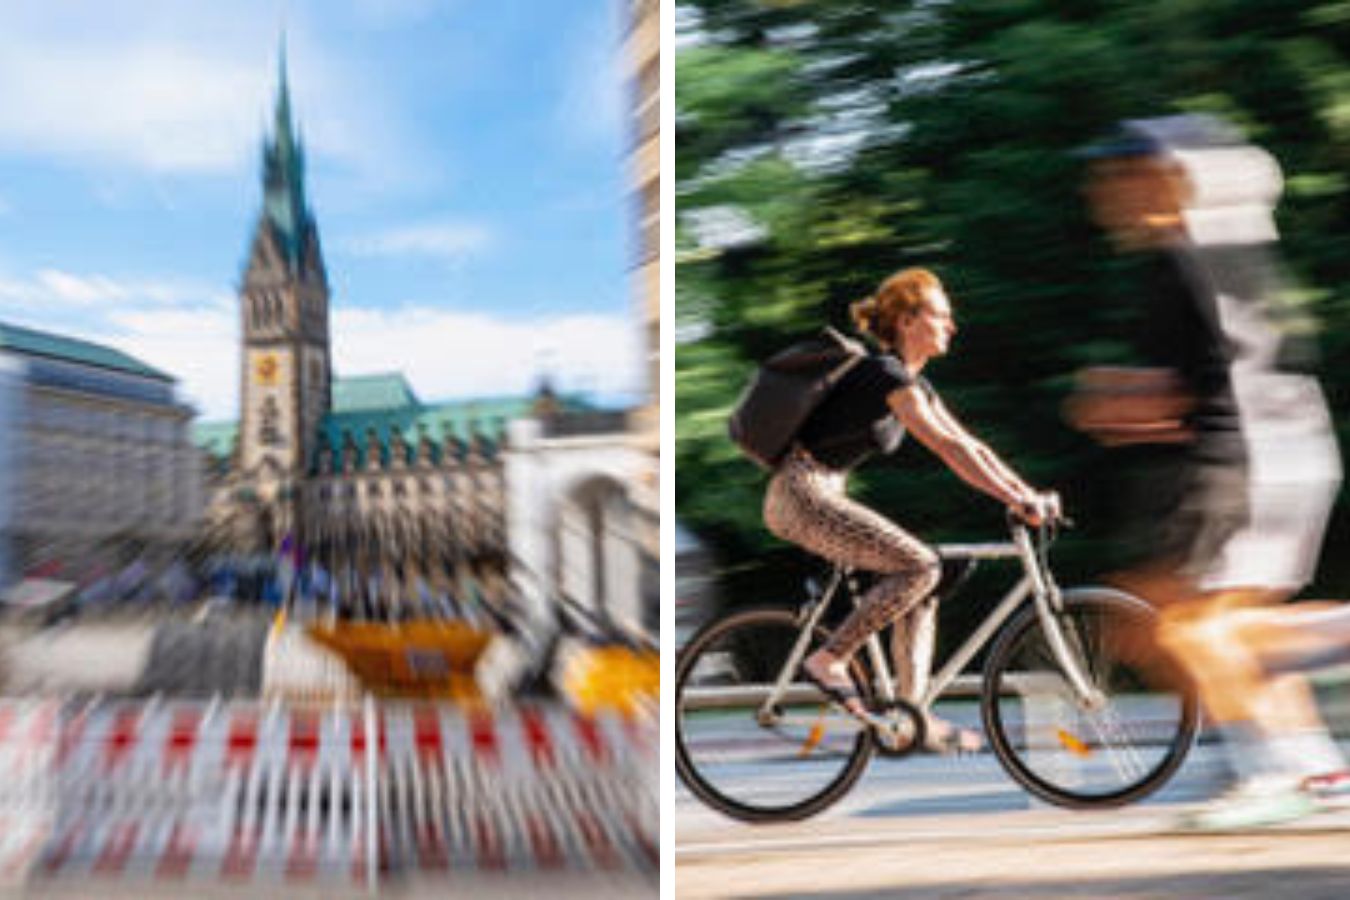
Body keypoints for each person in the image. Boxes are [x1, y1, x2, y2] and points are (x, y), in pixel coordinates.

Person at [1073, 115, 1348, 828]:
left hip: (1240, 456)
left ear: (1170, 179)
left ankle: (1273, 775)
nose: (1105, 191)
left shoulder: (1180, 259)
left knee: (1187, 631)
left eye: (1121, 174)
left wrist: (1104, 399)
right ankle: (1318, 768)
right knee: (1225, 627)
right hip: (1289, 446)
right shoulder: (1235, 249)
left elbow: (1181, 391)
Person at [763, 267, 1061, 752]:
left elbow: (972, 445)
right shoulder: (886, 375)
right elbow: (947, 448)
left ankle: (910, 717)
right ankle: (830, 658)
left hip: (823, 493)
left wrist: (1026, 493)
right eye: (941, 316)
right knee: (921, 566)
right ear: (906, 321)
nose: (952, 326)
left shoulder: (915, 385)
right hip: (803, 494)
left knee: (923, 585)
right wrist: (1013, 499)